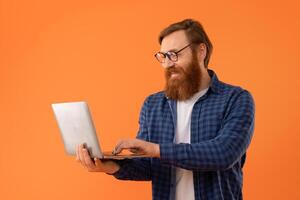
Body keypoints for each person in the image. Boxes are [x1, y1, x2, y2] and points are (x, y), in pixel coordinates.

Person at [76, 19, 255, 200]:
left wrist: (156, 149)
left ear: (201, 51)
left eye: (174, 54)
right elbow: (147, 165)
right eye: (163, 57)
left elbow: (223, 153)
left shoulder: (236, 99)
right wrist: (110, 166)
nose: (168, 64)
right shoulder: (153, 104)